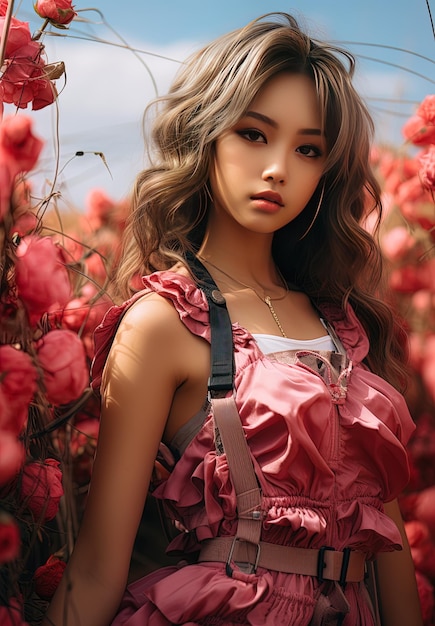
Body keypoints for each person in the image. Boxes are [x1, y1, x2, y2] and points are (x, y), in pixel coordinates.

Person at [45, 12, 423, 626]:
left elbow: (387, 541)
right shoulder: (163, 323)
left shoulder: (343, 325)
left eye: (307, 149)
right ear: (207, 134)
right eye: (253, 134)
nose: (278, 167)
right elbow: (94, 573)